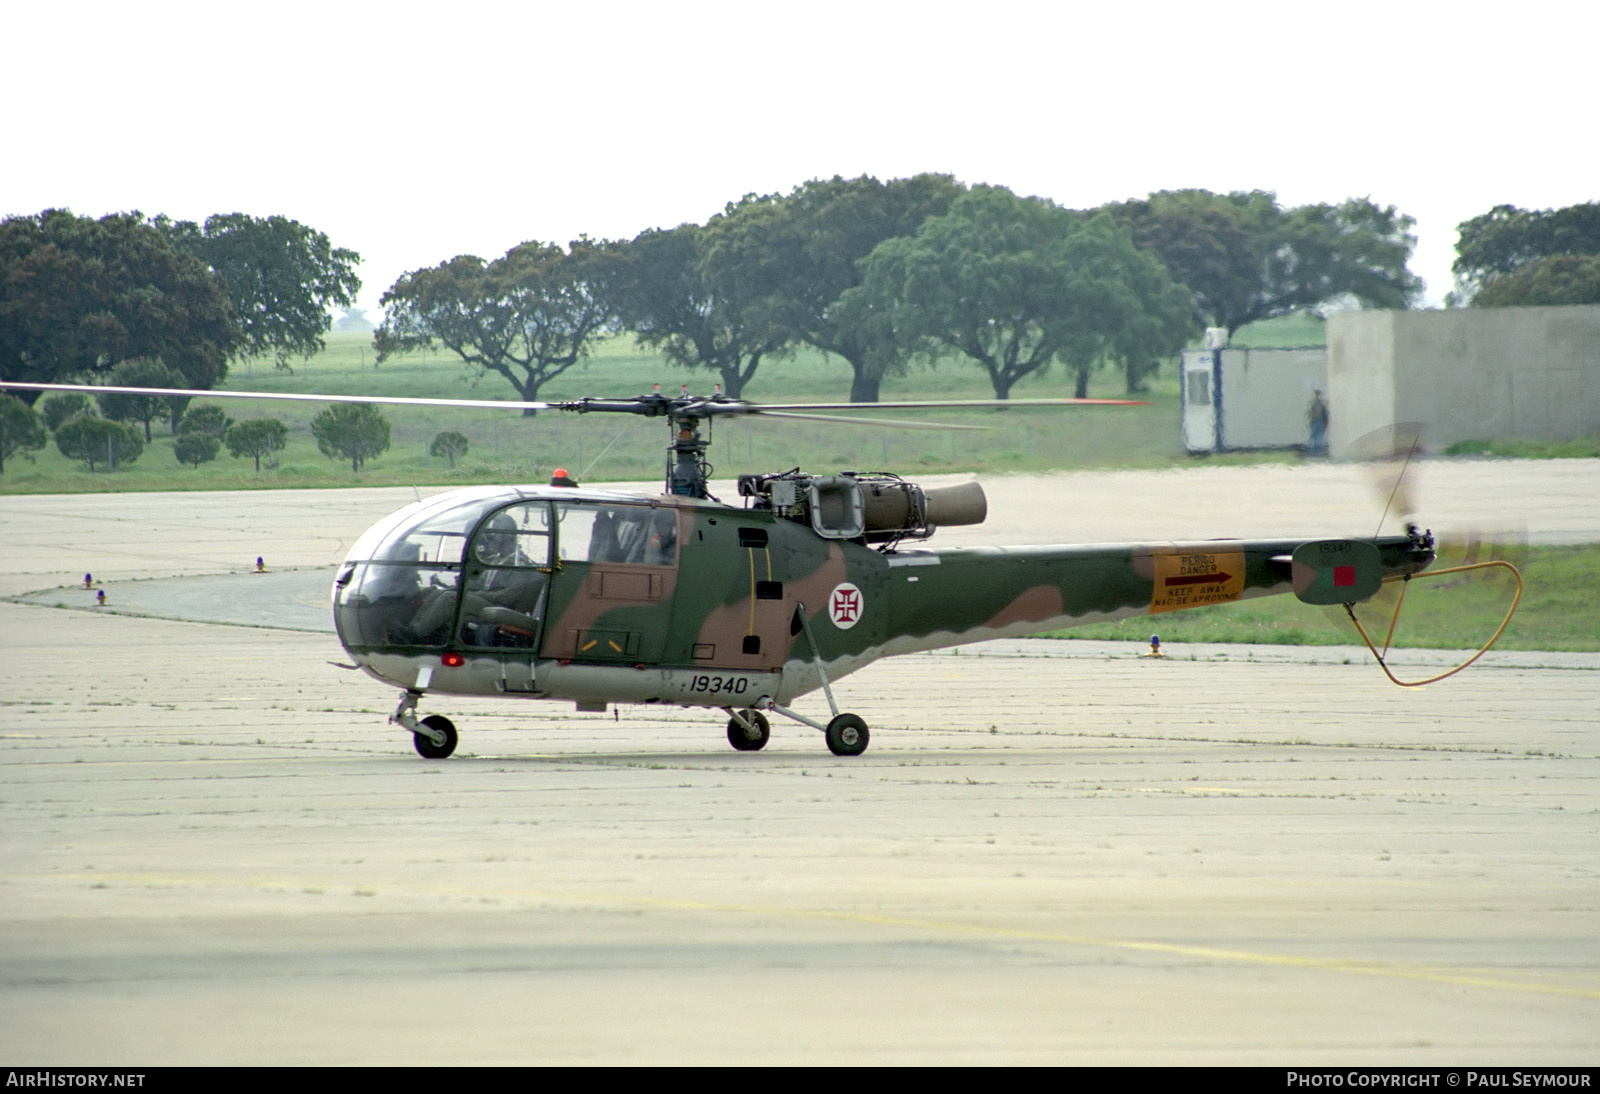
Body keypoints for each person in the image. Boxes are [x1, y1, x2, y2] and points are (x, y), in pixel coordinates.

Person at [1306, 389, 1330, 458]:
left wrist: (1325, 423)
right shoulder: (1314, 404)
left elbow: (1325, 414)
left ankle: (1316, 452)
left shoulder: (1319, 404)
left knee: (1317, 438)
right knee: (1316, 438)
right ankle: (1315, 452)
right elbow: (1310, 414)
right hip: (1316, 422)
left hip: (1319, 422)